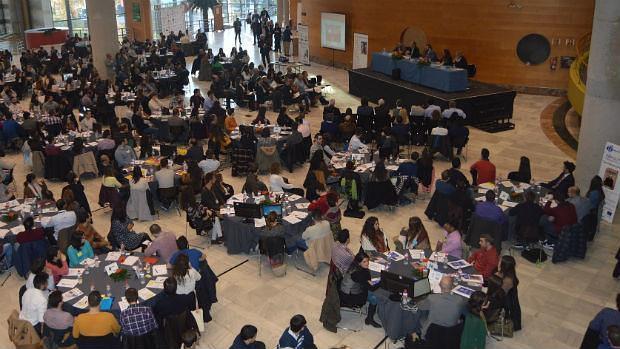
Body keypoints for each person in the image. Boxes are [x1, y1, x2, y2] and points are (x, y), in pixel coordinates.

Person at [339, 251, 381, 328]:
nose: (367, 263)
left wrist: (368, 281)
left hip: (347, 290)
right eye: (364, 262)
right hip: (350, 296)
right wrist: (381, 282)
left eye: (368, 261)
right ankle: (369, 319)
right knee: (374, 298)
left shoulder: (354, 266)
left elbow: (366, 278)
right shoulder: (358, 273)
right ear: (359, 263)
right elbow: (372, 288)